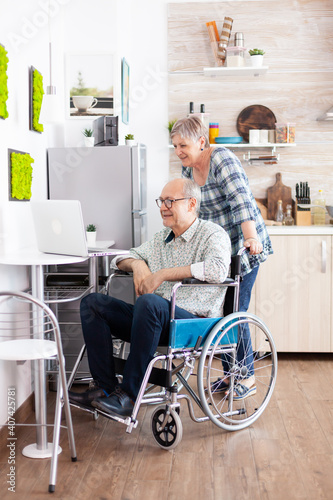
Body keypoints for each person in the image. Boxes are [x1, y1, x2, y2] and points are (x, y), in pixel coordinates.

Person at [69, 178, 231, 418]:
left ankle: (129, 396)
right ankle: (104, 388)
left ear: (191, 204)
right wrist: (137, 265)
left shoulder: (212, 234)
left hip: (193, 324)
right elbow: (121, 258)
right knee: (93, 303)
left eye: (170, 201)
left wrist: (163, 274)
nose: (163, 207)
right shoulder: (161, 238)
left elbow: (218, 269)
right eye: (161, 201)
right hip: (154, 320)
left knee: (149, 301)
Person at [171, 116, 273, 399]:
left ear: (201, 141)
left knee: (233, 313)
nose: (178, 151)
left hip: (243, 247)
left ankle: (247, 377)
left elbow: (241, 200)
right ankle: (231, 376)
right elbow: (193, 209)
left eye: (183, 145)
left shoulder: (222, 160)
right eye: (175, 145)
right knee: (218, 313)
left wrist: (251, 238)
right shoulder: (188, 168)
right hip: (219, 252)